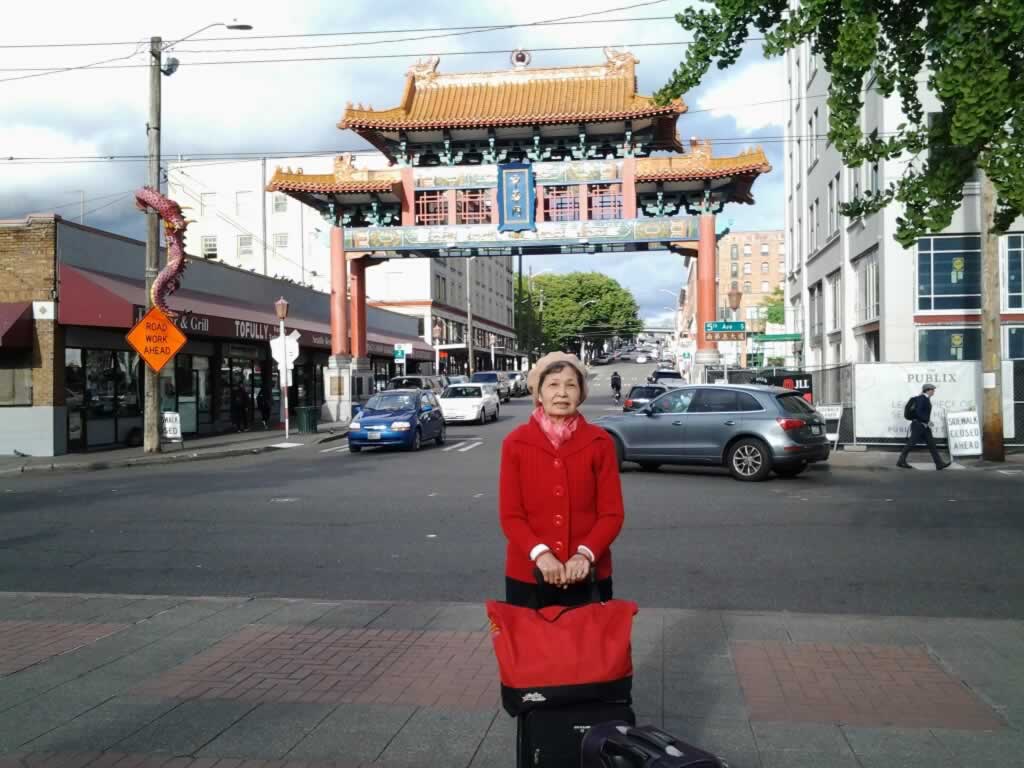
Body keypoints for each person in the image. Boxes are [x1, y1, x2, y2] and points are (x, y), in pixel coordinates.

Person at [499, 352, 625, 608]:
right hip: (527, 575)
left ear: (581, 393)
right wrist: (540, 554)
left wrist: (585, 554)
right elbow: (511, 515)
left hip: (588, 574)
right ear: (538, 393)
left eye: (571, 385)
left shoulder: (600, 442)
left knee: (592, 636)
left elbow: (612, 514)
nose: (562, 393)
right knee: (529, 636)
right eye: (553, 385)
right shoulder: (515, 443)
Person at [897, 383, 951, 470]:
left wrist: (926, 422)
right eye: (933, 390)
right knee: (911, 443)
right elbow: (918, 412)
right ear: (928, 390)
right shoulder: (922, 398)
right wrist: (927, 421)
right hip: (918, 425)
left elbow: (922, 412)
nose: (934, 391)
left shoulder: (925, 398)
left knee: (932, 444)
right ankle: (901, 460)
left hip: (924, 426)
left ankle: (939, 464)